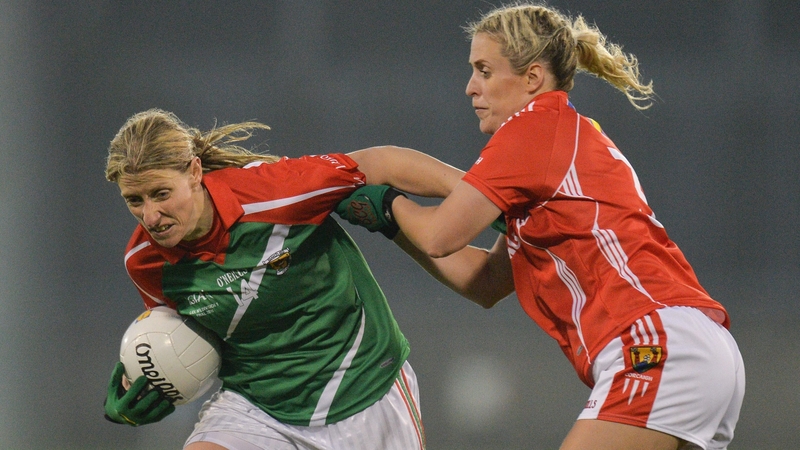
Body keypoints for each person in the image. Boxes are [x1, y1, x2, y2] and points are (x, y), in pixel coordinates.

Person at [336, 3, 745, 449]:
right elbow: (485, 282)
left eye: (484, 71)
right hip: (696, 348)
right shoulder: (564, 135)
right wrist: (392, 223)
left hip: (654, 342)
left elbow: (438, 235)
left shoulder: (536, 128)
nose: (471, 87)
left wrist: (385, 203)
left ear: (532, 78)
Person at [102, 108, 463, 450]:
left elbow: (382, 162)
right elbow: (182, 339)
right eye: (134, 200)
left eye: (161, 194)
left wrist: (477, 197)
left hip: (362, 389)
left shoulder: (274, 194)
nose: (150, 216)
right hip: (257, 407)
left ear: (195, 172)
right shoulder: (145, 262)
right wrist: (145, 380)